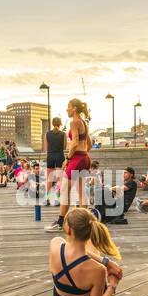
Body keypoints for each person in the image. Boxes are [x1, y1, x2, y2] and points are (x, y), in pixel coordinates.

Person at [48, 207, 124, 296]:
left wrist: (107, 263)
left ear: (69, 229)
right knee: (91, 245)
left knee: (81, 248)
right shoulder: (98, 270)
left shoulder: (55, 244)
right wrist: (113, 285)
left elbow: (74, 251)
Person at [46, 99, 93, 232]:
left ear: (74, 109)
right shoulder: (84, 122)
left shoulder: (74, 123)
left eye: (68, 107)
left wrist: (68, 158)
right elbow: (89, 144)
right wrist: (82, 155)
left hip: (77, 158)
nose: (67, 110)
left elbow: (75, 142)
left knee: (64, 191)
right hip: (85, 158)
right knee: (81, 191)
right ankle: (86, 223)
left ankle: (60, 223)